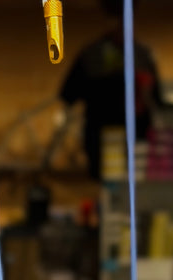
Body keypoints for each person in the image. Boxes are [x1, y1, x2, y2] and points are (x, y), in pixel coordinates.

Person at [58, 0, 160, 181]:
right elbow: (68, 95)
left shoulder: (140, 55)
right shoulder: (95, 55)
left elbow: (68, 95)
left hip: (130, 140)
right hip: (107, 141)